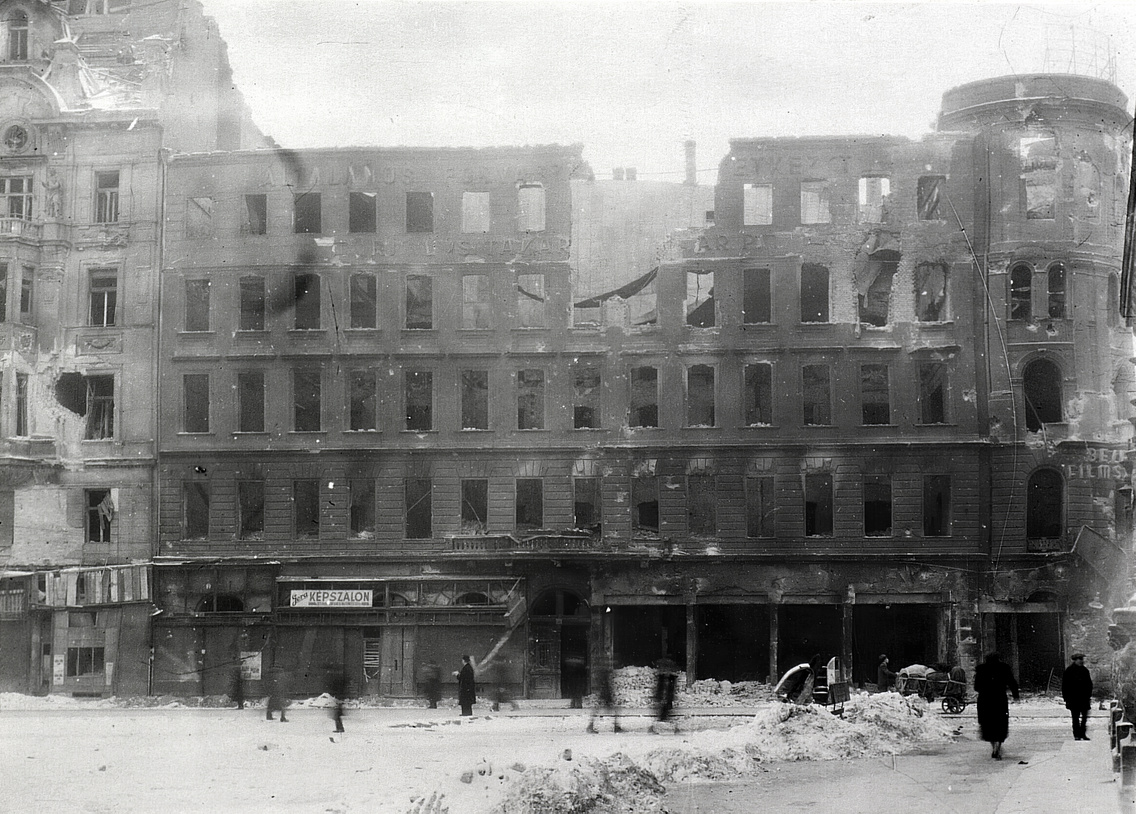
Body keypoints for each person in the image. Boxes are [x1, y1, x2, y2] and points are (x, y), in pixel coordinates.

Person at [974, 652, 1019, 759]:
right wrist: (1015, 695)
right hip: (999, 699)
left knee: (987, 723)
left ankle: (994, 745)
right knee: (1000, 722)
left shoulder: (981, 669)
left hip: (985, 700)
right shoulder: (1004, 668)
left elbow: (977, 686)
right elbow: (1012, 682)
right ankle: (998, 744)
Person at [587, 655, 622, 733]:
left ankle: (590, 725)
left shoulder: (601, 670)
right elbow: (605, 683)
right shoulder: (604, 671)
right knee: (615, 710)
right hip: (606, 692)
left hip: (604, 692)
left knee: (598, 709)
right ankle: (616, 727)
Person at [1062, 653, 1094, 741]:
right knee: (1075, 718)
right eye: (1079, 659)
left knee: (1084, 718)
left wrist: (1089, 695)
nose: (1081, 661)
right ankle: (1076, 735)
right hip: (1073, 699)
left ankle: (1083, 734)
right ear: (1075, 660)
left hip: (1084, 698)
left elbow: (1089, 684)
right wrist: (1066, 699)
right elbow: (1065, 686)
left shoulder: (1085, 670)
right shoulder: (1069, 671)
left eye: (1082, 659)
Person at [649, 654, 679, 733]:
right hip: (667, 694)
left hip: (664, 693)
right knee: (666, 706)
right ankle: (664, 720)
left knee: (663, 706)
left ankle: (662, 721)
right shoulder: (670, 674)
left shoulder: (662, 674)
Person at [327, 666, 347, 733]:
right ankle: (340, 728)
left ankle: (340, 728)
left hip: (338, 700)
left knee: (336, 716)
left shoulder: (337, 683)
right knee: (337, 716)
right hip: (338, 700)